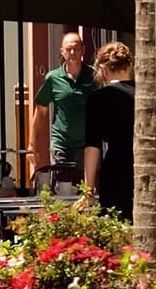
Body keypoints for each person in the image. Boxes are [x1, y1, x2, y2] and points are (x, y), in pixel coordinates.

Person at [33, 32, 97, 184]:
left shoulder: (94, 76)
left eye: (76, 49)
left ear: (83, 50)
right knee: (63, 186)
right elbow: (41, 111)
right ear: (62, 52)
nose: (72, 53)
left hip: (87, 145)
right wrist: (32, 144)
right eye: (69, 49)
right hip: (61, 144)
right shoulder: (53, 78)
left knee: (85, 189)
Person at [83, 42, 137, 221]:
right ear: (129, 66)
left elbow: (92, 146)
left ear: (104, 70)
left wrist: (88, 189)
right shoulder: (146, 94)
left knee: (116, 226)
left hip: (115, 169)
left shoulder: (98, 99)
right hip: (146, 165)